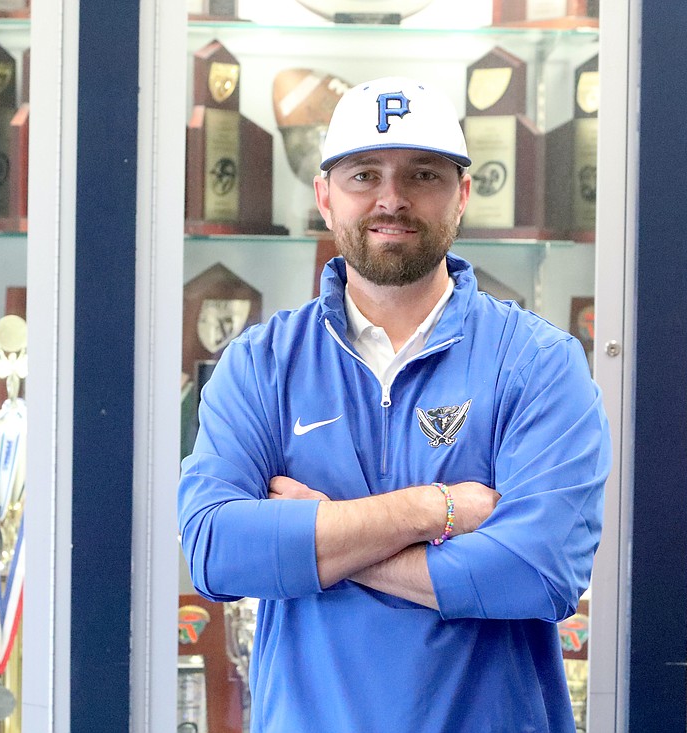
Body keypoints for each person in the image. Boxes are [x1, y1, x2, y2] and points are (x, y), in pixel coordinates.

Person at [178, 76, 611, 733]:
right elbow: (215, 551)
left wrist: (316, 536)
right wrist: (427, 508)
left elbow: (538, 571)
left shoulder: (536, 363)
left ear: (463, 195)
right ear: (325, 197)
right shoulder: (262, 364)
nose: (392, 198)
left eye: (423, 174)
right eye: (364, 175)